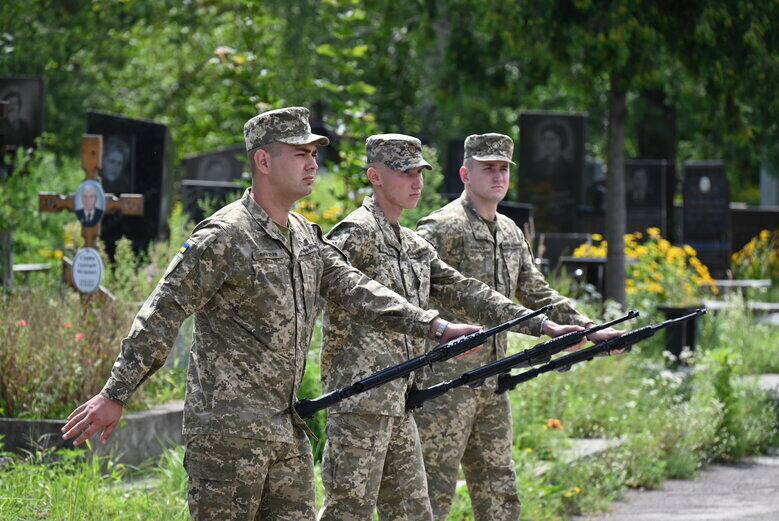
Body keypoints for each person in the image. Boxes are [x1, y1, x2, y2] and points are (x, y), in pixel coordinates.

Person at [61, 107, 479, 521]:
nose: (313, 163)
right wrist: (116, 393)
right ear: (263, 160)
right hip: (228, 436)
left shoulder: (304, 235)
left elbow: (358, 290)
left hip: (287, 430)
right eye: (300, 154)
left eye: (314, 154)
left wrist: (435, 326)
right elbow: (162, 312)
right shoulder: (225, 235)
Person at [319, 134, 586, 521]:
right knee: (348, 511)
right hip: (361, 402)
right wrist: (437, 326)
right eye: (405, 173)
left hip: (402, 400)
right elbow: (334, 291)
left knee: (416, 513)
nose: (417, 182)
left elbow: (471, 292)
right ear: (375, 176)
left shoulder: (411, 244)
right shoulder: (356, 233)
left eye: (420, 173)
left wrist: (544, 325)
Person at [414, 133, 625, 521]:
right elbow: (412, 296)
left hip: (496, 380)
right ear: (465, 173)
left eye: (503, 169)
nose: (497, 176)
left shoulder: (511, 231)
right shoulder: (441, 227)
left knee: (499, 487)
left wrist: (591, 328)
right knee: (431, 491)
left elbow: (537, 292)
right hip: (445, 384)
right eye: (487, 168)